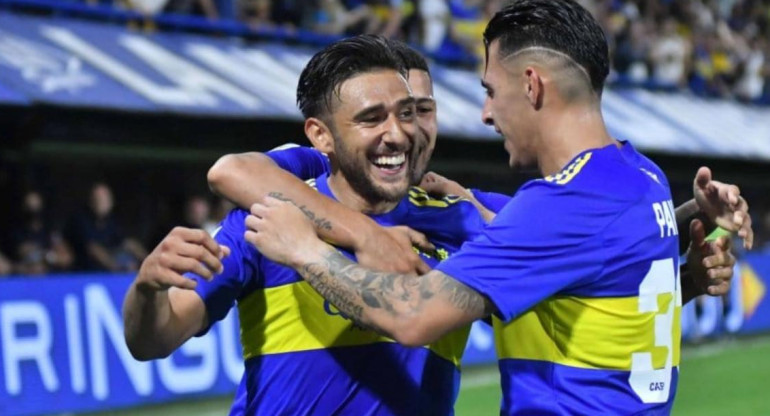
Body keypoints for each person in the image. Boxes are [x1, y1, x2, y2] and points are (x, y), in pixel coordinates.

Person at [244, 2, 751, 414]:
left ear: (531, 85)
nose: (486, 113)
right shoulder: (642, 178)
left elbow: (411, 317)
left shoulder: (560, 207)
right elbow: (606, 298)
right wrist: (703, 241)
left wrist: (304, 250)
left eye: (490, 91)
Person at [123, 35, 487, 415]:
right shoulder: (265, 220)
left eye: (407, 113)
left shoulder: (459, 221)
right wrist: (148, 289)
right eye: (371, 118)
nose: (397, 134)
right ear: (321, 135)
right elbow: (152, 342)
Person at [67, 183, 147, 271]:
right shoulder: (80, 220)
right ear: (91, 201)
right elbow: (93, 249)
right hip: (85, 272)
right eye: (98, 199)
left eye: (105, 199)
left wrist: (146, 261)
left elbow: (126, 242)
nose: (102, 203)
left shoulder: (112, 221)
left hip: (109, 268)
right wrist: (117, 267)